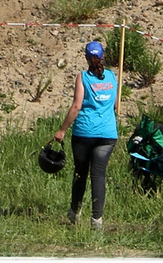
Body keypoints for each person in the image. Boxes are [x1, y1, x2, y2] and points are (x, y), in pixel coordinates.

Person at [53, 39, 119, 231]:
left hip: (84, 133)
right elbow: (115, 105)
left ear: (86, 58)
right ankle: (97, 220)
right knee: (99, 175)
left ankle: (74, 212)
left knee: (80, 173)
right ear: (102, 57)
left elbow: (76, 106)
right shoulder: (112, 77)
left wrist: (62, 129)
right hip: (107, 134)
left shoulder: (83, 77)